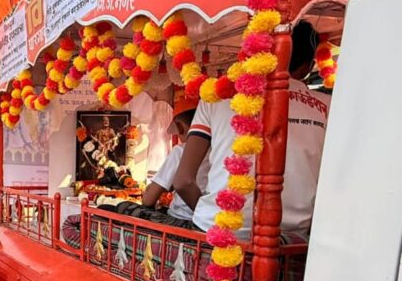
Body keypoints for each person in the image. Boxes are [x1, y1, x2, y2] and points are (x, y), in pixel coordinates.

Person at [173, 21, 331, 238]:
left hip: (219, 233)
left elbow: (183, 181)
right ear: (307, 66)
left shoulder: (217, 95)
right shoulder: (327, 106)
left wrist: (206, 214)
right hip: (292, 240)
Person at [111, 91, 209, 228]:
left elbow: (149, 199)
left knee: (117, 207)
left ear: (180, 127)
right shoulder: (216, 150)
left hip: (182, 219)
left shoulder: (181, 151)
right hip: (208, 220)